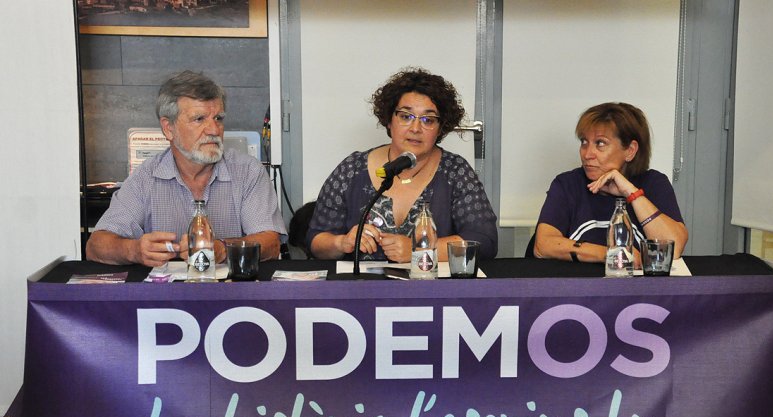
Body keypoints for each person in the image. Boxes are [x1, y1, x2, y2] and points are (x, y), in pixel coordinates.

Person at [86, 70, 286, 267]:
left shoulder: (248, 171)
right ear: (168, 128)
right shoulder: (145, 177)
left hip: (233, 294)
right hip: (165, 296)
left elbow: (271, 243)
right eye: (199, 119)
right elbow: (96, 246)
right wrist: (134, 250)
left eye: (218, 118)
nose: (214, 130)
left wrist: (224, 248)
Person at [307, 67, 498, 262]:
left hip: (434, 290)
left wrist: (421, 250)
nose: (416, 128)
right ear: (389, 120)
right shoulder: (352, 168)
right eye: (406, 116)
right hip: (363, 289)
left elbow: (485, 242)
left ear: (440, 128)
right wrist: (342, 242)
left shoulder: (455, 171)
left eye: (428, 120)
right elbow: (315, 241)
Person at [533, 102, 687, 263]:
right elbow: (542, 246)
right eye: (584, 142)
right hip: (578, 286)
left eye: (600, 143)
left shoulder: (654, 183)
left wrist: (632, 193)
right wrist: (611, 254)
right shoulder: (567, 184)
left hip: (637, 288)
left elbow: (673, 249)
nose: (587, 154)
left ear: (630, 150)